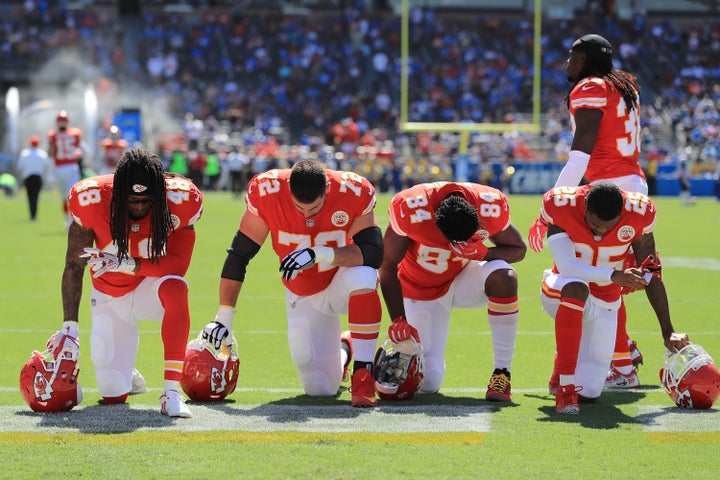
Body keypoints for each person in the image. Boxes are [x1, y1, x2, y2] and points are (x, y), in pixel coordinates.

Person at [203, 159, 383, 407]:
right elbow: (239, 255)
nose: (306, 215)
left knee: (365, 274)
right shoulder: (268, 192)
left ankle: (364, 374)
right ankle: (346, 347)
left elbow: (373, 253)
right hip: (303, 292)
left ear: (327, 190)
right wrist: (224, 316)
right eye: (299, 208)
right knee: (320, 387)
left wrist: (320, 253)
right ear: (288, 191)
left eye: (314, 208)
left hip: (342, 280)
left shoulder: (351, 190)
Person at [527, 34, 646, 388]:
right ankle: (622, 356)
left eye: (572, 56)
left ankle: (620, 366)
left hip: (606, 192)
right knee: (610, 281)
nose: (567, 63)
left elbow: (580, 152)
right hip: (632, 186)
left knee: (588, 279)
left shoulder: (591, 86)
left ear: (586, 59)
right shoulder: (623, 85)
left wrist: (552, 205)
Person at [48, 148, 203, 417]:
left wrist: (131, 264)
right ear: (118, 192)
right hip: (110, 297)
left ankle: (171, 393)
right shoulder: (92, 199)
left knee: (176, 288)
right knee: (112, 394)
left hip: (149, 288)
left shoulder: (181, 198)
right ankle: (125, 369)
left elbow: (178, 266)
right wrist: (70, 327)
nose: (140, 207)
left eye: (147, 200)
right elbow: (74, 265)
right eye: (132, 200)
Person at [539, 182, 689, 413]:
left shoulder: (639, 214)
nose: (601, 233)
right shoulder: (561, 205)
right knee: (576, 288)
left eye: (609, 227)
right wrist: (613, 275)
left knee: (589, 393)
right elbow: (567, 266)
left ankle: (563, 366)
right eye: (595, 225)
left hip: (606, 300)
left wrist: (668, 331)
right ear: (585, 208)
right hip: (562, 288)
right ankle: (566, 389)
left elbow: (651, 273)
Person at [378, 181, 526, 401]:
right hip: (421, 289)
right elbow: (387, 265)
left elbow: (519, 250)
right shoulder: (410, 208)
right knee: (428, 381)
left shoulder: (490, 204)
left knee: (504, 278)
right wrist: (398, 319)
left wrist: (483, 253)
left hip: (464, 278)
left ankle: (501, 374)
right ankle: (351, 342)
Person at [48, 110, 84, 226]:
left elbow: (50, 153)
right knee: (73, 195)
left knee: (64, 196)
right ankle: (74, 220)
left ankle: (68, 220)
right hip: (71, 166)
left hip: (59, 168)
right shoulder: (75, 133)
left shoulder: (53, 135)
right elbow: (81, 150)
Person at [16, 135, 51, 220]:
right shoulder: (42, 154)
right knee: (36, 196)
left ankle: (32, 215)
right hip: (38, 177)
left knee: (30, 196)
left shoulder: (25, 154)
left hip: (28, 177)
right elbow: (47, 166)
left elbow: (19, 167)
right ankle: (34, 215)